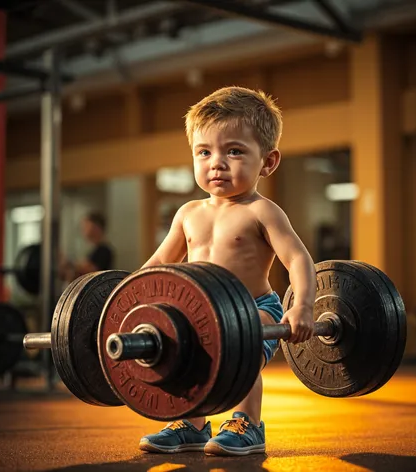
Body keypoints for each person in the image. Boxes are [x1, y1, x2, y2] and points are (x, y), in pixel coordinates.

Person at [139, 86, 316, 456]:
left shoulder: (262, 212)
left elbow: (299, 259)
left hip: (255, 307)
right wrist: (126, 297)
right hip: (202, 311)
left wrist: (302, 307)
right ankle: (192, 423)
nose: (216, 162)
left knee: (241, 340)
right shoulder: (188, 213)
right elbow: (157, 265)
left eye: (234, 151)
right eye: (204, 152)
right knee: (182, 351)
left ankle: (248, 422)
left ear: (268, 162)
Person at [59, 211, 114, 282]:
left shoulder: (104, 250)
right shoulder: (96, 250)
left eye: (86, 226)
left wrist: (69, 263)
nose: (83, 229)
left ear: (96, 227)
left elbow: (90, 273)